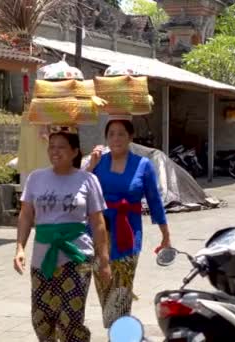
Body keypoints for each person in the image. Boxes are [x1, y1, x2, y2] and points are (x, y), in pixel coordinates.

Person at [14, 128, 111, 342]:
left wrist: (104, 261)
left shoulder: (88, 180)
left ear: (75, 151)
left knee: (71, 320)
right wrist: (20, 247)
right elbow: (26, 215)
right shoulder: (36, 178)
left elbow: (98, 223)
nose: (55, 151)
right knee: (41, 319)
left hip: (77, 258)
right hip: (43, 259)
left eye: (61, 147)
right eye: (51, 147)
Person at [85, 119, 171, 328]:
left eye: (121, 134)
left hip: (128, 235)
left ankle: (119, 332)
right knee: (104, 288)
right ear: (106, 139)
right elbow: (80, 190)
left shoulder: (143, 165)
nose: (116, 138)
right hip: (99, 233)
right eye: (111, 134)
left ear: (130, 138)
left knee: (122, 290)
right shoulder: (98, 162)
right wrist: (90, 166)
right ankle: (115, 329)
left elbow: (154, 201)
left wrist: (165, 235)